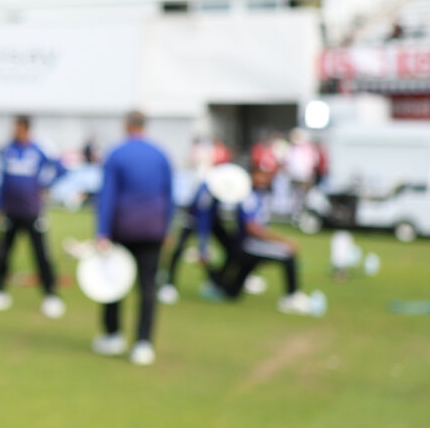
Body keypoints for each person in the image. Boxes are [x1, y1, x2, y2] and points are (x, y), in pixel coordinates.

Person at [92, 110, 174, 366]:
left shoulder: (117, 153)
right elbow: (170, 195)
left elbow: (107, 195)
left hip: (123, 228)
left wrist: (102, 232)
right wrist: (167, 227)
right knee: (147, 287)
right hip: (153, 228)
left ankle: (113, 335)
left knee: (114, 282)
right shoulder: (160, 153)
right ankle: (143, 343)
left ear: (127, 125)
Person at [0, 115, 66, 318]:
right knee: (4, 253)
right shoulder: (8, 150)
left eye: (18, 127)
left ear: (26, 128)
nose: (14, 131)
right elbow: (3, 181)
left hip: (33, 212)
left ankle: (51, 295)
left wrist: (45, 186)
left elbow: (62, 169)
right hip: (11, 211)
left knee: (40, 254)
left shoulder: (39, 149)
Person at [209, 167, 312, 313]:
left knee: (232, 293)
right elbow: (252, 228)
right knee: (287, 254)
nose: (265, 179)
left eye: (267, 175)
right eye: (261, 175)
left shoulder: (259, 195)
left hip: (250, 245)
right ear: (252, 175)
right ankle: (291, 297)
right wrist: (282, 240)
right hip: (249, 245)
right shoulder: (248, 197)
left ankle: (215, 281)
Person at [158, 176, 237, 304]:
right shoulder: (206, 189)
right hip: (192, 221)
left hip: (212, 222)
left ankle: (216, 281)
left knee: (231, 248)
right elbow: (203, 216)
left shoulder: (225, 186)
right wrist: (203, 245)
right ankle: (169, 282)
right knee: (179, 250)